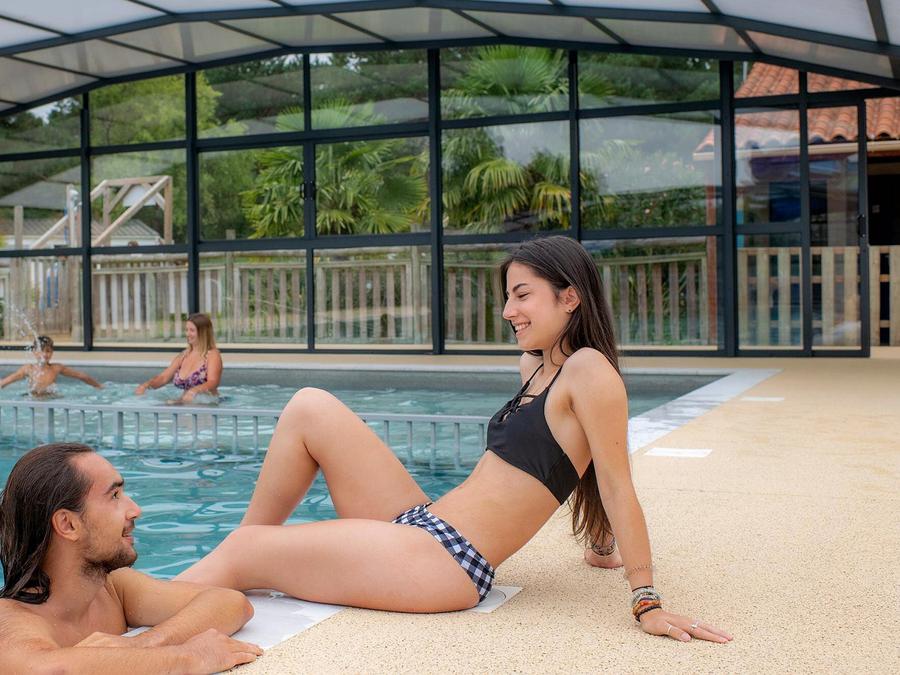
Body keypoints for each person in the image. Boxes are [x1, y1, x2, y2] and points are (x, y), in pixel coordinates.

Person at [177, 236, 732, 643]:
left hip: (447, 563)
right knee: (309, 406)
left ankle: (157, 600)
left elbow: (615, 479)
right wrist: (601, 545)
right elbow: (582, 464)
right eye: (508, 297)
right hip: (424, 526)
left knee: (245, 550)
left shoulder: (589, 370)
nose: (509, 312)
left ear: (570, 297)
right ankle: (228, 571)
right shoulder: (535, 368)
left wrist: (646, 600)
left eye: (522, 295)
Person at [0, 442, 262, 673]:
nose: (135, 510)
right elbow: (50, 670)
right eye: (114, 496)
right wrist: (188, 658)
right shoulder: (12, 618)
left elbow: (231, 602)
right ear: (68, 524)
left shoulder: (112, 588)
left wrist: (143, 644)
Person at [135, 313, 222, 404]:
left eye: (192, 330)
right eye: (186, 330)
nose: (187, 334)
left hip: (206, 405)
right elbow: (164, 378)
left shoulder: (212, 355)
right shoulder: (184, 355)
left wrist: (195, 390)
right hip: (185, 404)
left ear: (203, 332)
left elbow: (213, 382)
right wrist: (146, 386)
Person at [0, 335, 102, 395]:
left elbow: (81, 376)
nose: (45, 354)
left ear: (52, 352)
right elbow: (8, 380)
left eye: (48, 351)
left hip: (51, 399)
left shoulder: (56, 368)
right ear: (34, 352)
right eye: (41, 351)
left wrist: (98, 386)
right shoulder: (28, 368)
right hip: (33, 400)